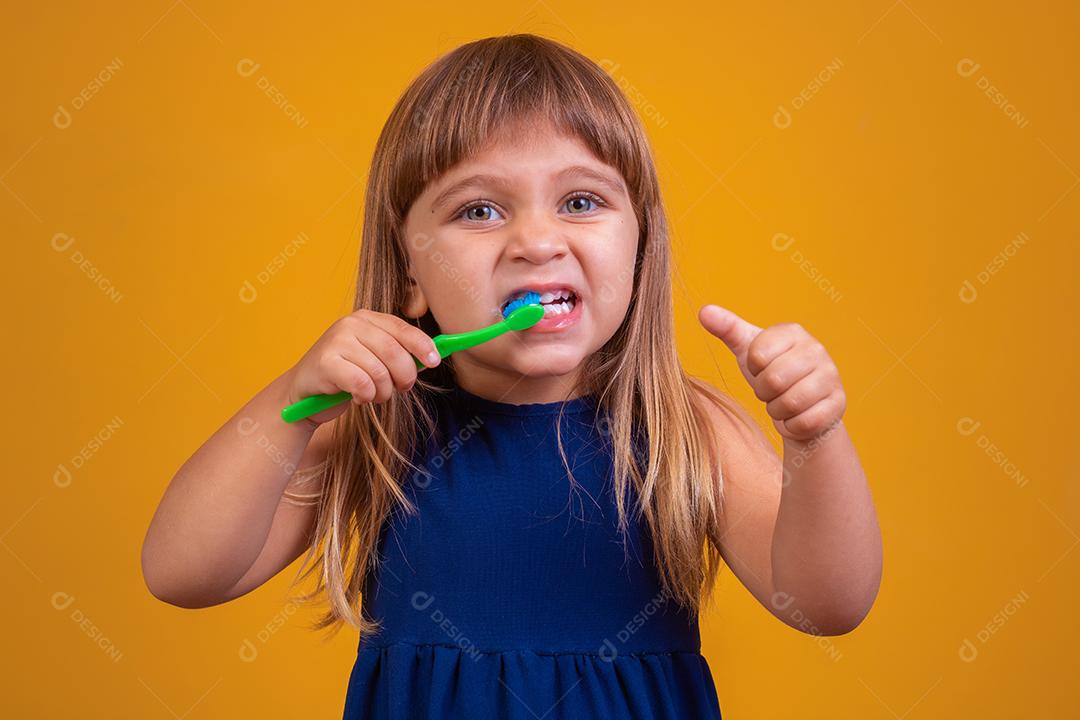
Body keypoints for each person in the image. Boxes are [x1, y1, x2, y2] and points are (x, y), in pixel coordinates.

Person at [141, 33, 882, 719]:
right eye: (480, 210)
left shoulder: (683, 429)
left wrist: (815, 438)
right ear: (411, 270)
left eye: (581, 202)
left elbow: (827, 605)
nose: (536, 240)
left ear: (640, 243)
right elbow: (182, 574)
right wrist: (292, 406)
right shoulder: (374, 424)